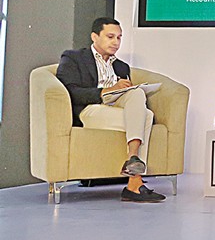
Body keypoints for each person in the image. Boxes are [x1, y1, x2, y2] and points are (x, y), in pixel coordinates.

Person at [56, 17, 165, 203]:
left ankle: (133, 164)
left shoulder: (121, 66)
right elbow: (70, 91)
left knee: (138, 96)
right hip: (91, 109)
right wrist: (108, 90)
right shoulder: (74, 58)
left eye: (119, 38)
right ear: (94, 36)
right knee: (145, 118)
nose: (116, 42)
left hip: (115, 107)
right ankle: (134, 182)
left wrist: (124, 90)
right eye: (110, 37)